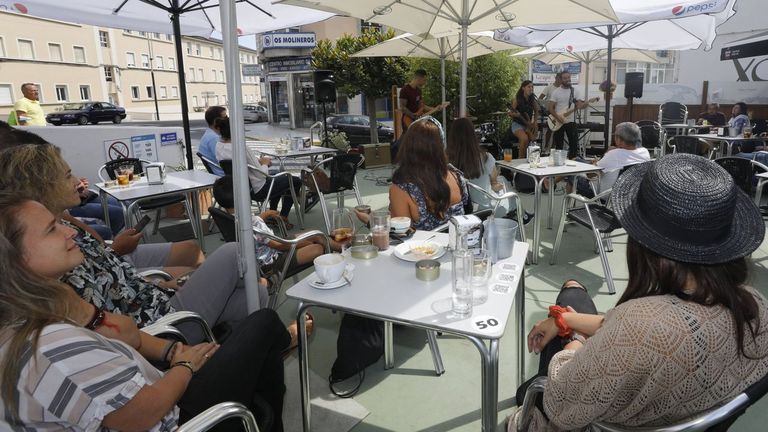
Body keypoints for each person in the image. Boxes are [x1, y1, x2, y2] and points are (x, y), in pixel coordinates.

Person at [512, 153, 768, 431]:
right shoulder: (756, 306)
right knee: (572, 293)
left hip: (588, 417)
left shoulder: (639, 324)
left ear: (642, 243)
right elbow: (633, 332)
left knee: (527, 391)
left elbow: (560, 404)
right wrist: (564, 319)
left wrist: (573, 339)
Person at [0, 195, 291, 431]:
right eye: (52, 229)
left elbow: (126, 333)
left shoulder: (39, 310)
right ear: (14, 260)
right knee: (263, 323)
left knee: (255, 302)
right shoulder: (48, 347)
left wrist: (171, 351)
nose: (69, 231)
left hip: (156, 371)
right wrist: (185, 366)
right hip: (174, 413)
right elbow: (141, 415)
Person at [0, 142, 267, 330]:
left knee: (256, 295)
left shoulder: (61, 231)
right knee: (233, 251)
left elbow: (113, 279)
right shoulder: (54, 259)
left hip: (152, 299)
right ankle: (266, 273)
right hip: (161, 324)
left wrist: (159, 284)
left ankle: (243, 344)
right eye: (68, 175)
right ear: (43, 187)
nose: (77, 181)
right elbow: (113, 310)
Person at [212, 175, 340, 270]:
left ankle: (342, 248)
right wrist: (306, 242)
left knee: (315, 234)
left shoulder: (229, 217)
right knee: (318, 246)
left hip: (257, 258)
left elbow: (254, 228)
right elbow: (279, 246)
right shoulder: (255, 223)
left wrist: (265, 215)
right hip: (272, 261)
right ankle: (342, 251)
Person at [214, 117, 301, 227]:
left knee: (277, 179)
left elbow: (241, 163)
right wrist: (265, 163)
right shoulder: (241, 147)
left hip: (240, 188)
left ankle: (273, 214)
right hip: (258, 189)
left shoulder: (218, 146)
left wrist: (257, 162)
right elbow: (261, 175)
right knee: (294, 180)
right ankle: (282, 217)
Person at [447, 117, 533, 223]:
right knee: (503, 181)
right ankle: (521, 215)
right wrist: (502, 185)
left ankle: (520, 214)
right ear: (473, 135)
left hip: (463, 211)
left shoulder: (446, 161)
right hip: (487, 209)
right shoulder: (485, 157)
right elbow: (494, 185)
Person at [391, 117, 469, 231]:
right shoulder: (456, 177)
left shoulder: (402, 189)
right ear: (441, 145)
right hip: (459, 240)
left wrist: (371, 221)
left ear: (407, 145)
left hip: (424, 243)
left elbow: (402, 233)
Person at [567, 122, 651, 197]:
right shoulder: (644, 152)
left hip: (601, 194)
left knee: (571, 173)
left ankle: (567, 205)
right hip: (628, 195)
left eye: (615, 136)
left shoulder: (614, 154)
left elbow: (590, 175)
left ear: (619, 140)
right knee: (576, 160)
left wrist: (606, 154)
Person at [548, 71, 587, 160]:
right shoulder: (556, 92)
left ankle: (572, 162)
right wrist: (558, 118)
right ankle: (558, 163)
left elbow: (579, 105)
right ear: (561, 79)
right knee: (559, 145)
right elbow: (550, 108)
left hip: (571, 121)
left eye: (568, 77)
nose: (567, 80)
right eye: (565, 78)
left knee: (574, 144)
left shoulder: (575, 91)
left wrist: (583, 104)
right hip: (558, 121)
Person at [509, 80, 539, 158]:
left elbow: (537, 111)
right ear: (523, 88)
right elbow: (510, 113)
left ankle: (525, 159)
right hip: (517, 124)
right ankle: (520, 160)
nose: (531, 88)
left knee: (532, 140)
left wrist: (535, 122)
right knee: (524, 139)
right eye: (529, 87)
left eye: (532, 87)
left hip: (528, 125)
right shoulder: (517, 99)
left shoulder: (532, 100)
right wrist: (516, 115)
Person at [198, 105, 227, 176]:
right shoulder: (214, 139)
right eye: (225, 118)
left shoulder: (209, 134)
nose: (227, 120)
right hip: (226, 175)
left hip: (222, 173)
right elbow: (227, 161)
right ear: (215, 121)